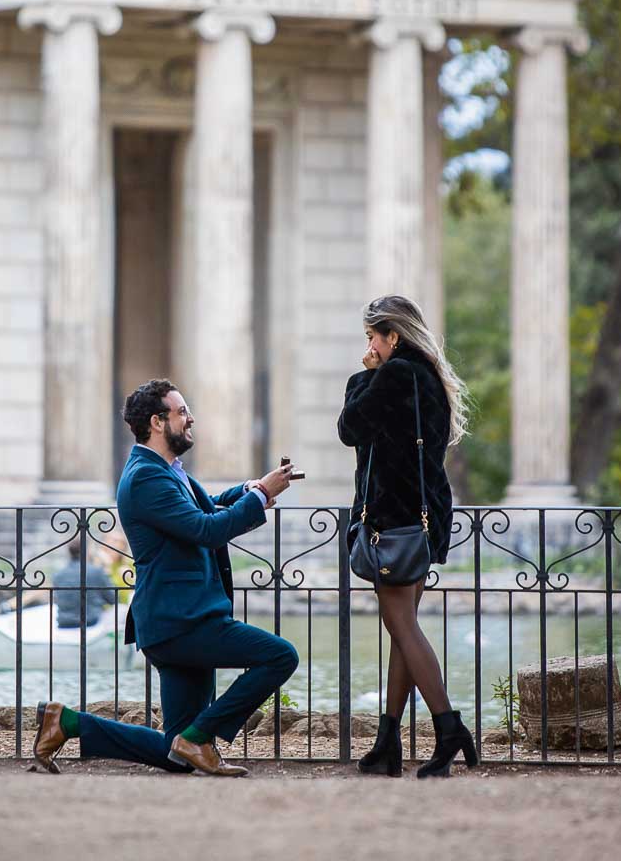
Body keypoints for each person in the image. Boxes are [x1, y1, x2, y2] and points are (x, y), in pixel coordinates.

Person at [31, 378, 299, 777]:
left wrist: (252, 488)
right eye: (182, 412)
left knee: (174, 755)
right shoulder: (146, 477)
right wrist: (259, 498)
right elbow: (205, 529)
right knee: (280, 656)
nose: (190, 419)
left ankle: (66, 722)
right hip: (182, 623)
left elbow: (204, 507)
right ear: (158, 422)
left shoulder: (164, 469)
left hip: (178, 620)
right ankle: (200, 737)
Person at [337, 294, 477, 779]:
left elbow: (349, 428)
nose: (368, 346)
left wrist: (366, 374)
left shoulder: (395, 374)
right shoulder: (429, 375)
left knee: (401, 626)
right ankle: (387, 743)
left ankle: (449, 727)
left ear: (392, 336)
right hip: (426, 514)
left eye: (372, 337)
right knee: (403, 628)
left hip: (393, 516)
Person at [52, 537, 116, 629]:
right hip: (91, 622)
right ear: (88, 551)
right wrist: (107, 569)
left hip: (64, 623)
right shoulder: (96, 571)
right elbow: (113, 599)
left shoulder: (58, 574)